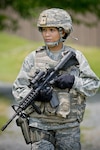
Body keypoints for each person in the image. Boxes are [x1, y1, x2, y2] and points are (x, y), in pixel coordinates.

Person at [12, 8, 100, 150]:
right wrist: (37, 96)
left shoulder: (76, 57)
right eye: (44, 30)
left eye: (51, 30)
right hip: (39, 126)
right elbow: (18, 89)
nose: (46, 34)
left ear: (63, 31)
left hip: (68, 128)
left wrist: (74, 81)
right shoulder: (33, 58)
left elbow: (94, 85)